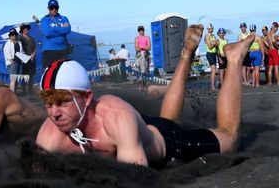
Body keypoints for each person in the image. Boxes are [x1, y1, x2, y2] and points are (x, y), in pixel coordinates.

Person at [36, 24, 255, 168]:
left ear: (87, 97)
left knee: (230, 138)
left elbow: (137, 180)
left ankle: (234, 57)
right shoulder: (48, 136)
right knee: (167, 120)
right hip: (141, 127)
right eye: (48, 104)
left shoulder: (114, 117)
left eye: (63, 103)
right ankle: (187, 53)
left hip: (169, 145)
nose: (54, 113)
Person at [41, 0, 71, 68]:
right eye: (52, 8)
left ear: (58, 8)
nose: (54, 9)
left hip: (62, 50)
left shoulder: (64, 18)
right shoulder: (45, 19)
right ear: (48, 9)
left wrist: (53, 29)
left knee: (63, 72)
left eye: (56, 7)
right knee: (49, 72)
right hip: (49, 50)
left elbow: (68, 30)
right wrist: (61, 29)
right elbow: (47, 33)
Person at [18, 23, 37, 95]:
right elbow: (18, 49)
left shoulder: (32, 38)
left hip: (32, 59)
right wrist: (25, 57)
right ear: (22, 30)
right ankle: (24, 92)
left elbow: (35, 48)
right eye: (24, 28)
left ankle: (30, 91)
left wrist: (33, 54)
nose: (26, 29)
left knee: (31, 75)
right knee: (25, 76)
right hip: (24, 60)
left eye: (26, 28)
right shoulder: (19, 38)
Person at [134, 25, 151, 91]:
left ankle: (144, 85)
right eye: (140, 30)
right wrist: (144, 47)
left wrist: (141, 47)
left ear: (144, 30)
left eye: (142, 30)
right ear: (138, 31)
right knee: (139, 71)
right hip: (139, 56)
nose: (141, 31)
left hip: (146, 55)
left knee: (145, 71)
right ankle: (139, 86)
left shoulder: (147, 38)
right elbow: (136, 48)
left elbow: (149, 48)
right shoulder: (137, 38)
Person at [204, 24, 218, 90]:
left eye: (212, 28)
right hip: (209, 53)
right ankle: (212, 86)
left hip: (214, 53)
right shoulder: (207, 36)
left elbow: (216, 45)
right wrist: (215, 43)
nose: (211, 29)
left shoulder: (213, 36)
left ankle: (213, 84)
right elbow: (210, 46)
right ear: (207, 29)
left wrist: (214, 43)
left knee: (214, 70)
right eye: (209, 28)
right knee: (213, 70)